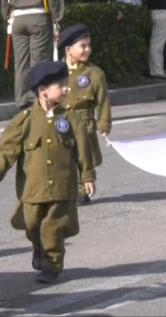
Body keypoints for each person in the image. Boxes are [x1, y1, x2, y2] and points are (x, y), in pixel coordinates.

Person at [0, 61, 85, 285]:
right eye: (60, 85)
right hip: (33, 190)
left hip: (62, 188)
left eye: (66, 84)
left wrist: (87, 177)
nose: (65, 89)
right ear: (42, 90)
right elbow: (8, 147)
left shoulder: (71, 119)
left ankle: (52, 265)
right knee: (33, 225)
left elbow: (82, 151)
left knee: (54, 227)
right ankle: (38, 247)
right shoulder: (25, 120)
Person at [58, 25, 108, 206]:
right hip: (62, 123)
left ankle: (82, 190)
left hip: (84, 123)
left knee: (83, 156)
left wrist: (104, 124)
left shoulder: (94, 74)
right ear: (68, 50)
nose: (87, 49)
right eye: (83, 46)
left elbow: (103, 101)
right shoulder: (57, 72)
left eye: (88, 45)